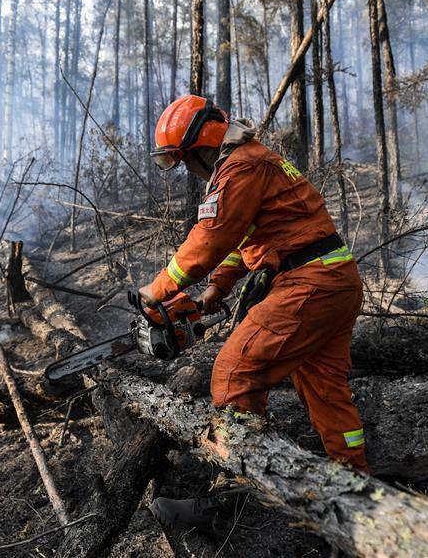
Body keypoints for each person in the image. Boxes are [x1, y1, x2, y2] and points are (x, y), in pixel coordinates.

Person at [139, 95, 368, 533]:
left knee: (234, 372)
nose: (190, 170)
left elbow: (209, 240)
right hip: (335, 278)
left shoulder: (240, 168)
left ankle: (230, 505)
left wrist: (157, 289)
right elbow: (243, 239)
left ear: (202, 147)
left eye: (187, 161)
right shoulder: (254, 160)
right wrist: (216, 289)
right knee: (325, 389)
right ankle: (357, 503)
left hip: (309, 284)